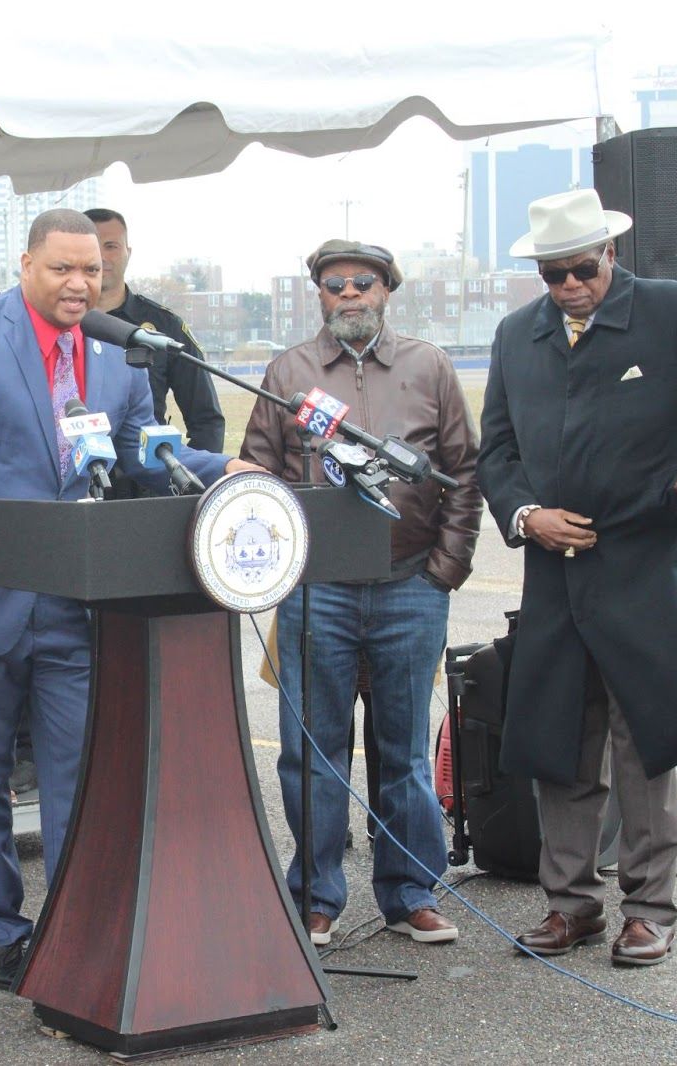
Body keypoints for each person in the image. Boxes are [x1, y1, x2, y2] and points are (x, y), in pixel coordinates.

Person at [0, 208, 251, 989]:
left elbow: (144, 454)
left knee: (76, 776)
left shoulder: (121, 354)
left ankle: (76, 924)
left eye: (91, 269)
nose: (80, 284)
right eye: (62, 269)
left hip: (75, 599)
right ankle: (0, 933)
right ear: (26, 266)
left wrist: (222, 469)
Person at [479, 189, 677, 967]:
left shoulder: (673, 313)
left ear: (610, 254)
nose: (568, 285)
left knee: (647, 740)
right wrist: (526, 513)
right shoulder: (515, 336)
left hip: (643, 561)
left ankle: (648, 908)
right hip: (553, 571)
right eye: (551, 274)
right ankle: (570, 906)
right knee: (558, 737)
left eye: (580, 269)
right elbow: (494, 453)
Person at [241, 238, 481, 947]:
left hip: (411, 586)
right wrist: (285, 572)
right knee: (310, 750)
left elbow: (463, 473)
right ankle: (316, 896)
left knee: (402, 752)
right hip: (318, 595)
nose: (349, 294)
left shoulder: (429, 366)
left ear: (386, 291)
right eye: (335, 284)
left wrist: (446, 569)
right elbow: (259, 477)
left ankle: (410, 893)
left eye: (363, 283)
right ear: (319, 295)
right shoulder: (288, 371)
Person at [86, 207, 225, 488]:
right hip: (79, 486)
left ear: (128, 251)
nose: (101, 257)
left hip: (149, 490)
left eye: (111, 246)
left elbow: (206, 418)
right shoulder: (59, 324)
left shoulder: (164, 327)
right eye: (91, 247)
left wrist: (187, 484)